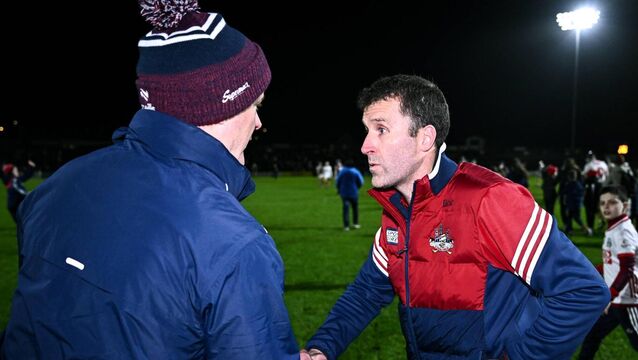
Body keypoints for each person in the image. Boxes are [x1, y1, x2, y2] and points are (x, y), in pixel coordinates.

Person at [1, 1, 301, 359]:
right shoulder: (233, 244)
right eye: (256, 106)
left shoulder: (54, 188)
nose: (258, 123)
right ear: (223, 105)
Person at [303, 75, 609, 359]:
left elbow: (583, 291)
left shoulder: (489, 198)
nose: (365, 145)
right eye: (367, 131)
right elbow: (367, 292)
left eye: (381, 130)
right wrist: (322, 347)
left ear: (425, 138)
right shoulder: (397, 210)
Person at [578, 185, 638, 359]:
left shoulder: (624, 232)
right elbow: (612, 264)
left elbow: (626, 269)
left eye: (612, 202)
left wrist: (609, 296)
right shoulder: (615, 228)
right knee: (592, 335)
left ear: (625, 206)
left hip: (629, 301)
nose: (606, 207)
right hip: (617, 299)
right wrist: (590, 275)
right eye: (603, 203)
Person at [335, 159, 364, 231]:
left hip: (344, 193)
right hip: (354, 192)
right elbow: (361, 181)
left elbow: (338, 181)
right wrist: (357, 187)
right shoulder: (355, 171)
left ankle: (346, 226)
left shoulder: (342, 171)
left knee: (346, 209)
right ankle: (355, 223)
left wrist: (339, 189)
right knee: (355, 208)